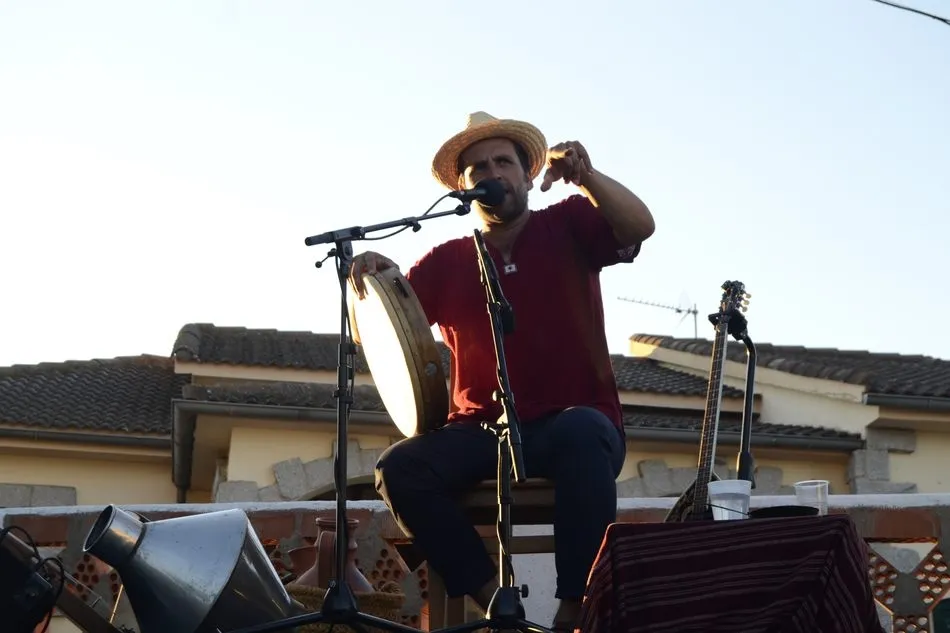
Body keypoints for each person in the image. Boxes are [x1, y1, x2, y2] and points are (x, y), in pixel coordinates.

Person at [349, 111, 655, 631]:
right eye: (479, 169)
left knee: (584, 431)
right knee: (398, 468)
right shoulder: (446, 260)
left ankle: (574, 610)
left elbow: (639, 226)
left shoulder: (569, 222)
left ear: (527, 176)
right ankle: (495, 601)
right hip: (481, 433)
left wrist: (586, 177)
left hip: (570, 427)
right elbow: (378, 335)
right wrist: (372, 284)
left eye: (503, 162)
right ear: (465, 189)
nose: (493, 173)